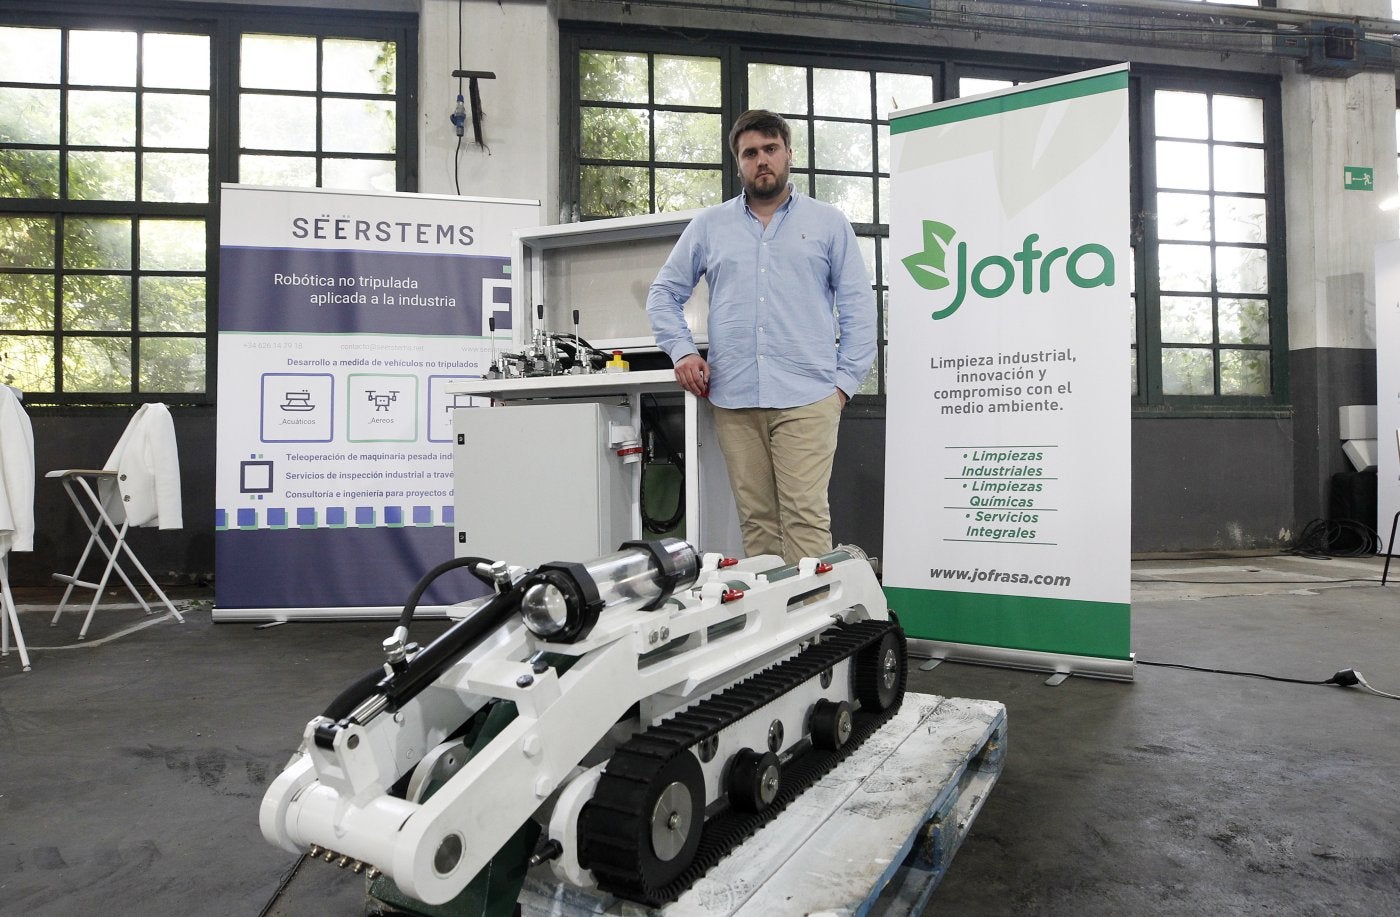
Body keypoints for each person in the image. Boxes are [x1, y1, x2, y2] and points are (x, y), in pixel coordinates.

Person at [646, 109, 876, 565]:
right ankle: (774, 633)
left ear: (789, 154)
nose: (761, 160)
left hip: (808, 397)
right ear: (739, 163)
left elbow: (859, 311)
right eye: (750, 153)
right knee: (756, 523)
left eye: (770, 149)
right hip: (735, 399)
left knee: (806, 519)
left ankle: (815, 630)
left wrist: (842, 386)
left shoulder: (829, 223)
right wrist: (682, 351)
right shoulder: (710, 226)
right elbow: (663, 294)